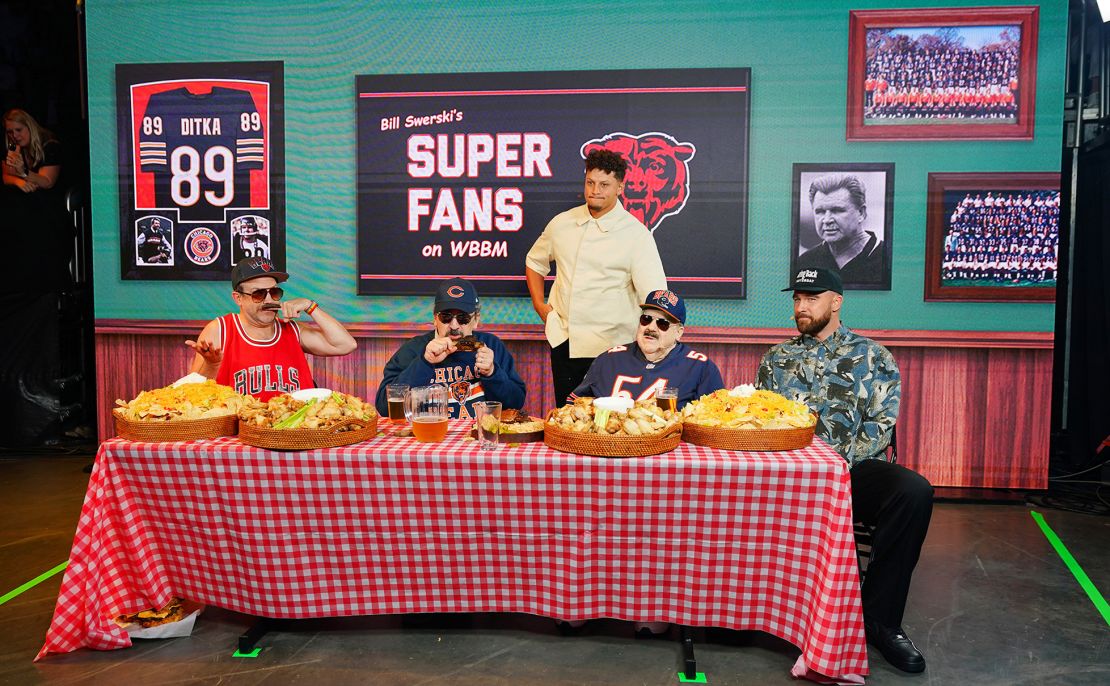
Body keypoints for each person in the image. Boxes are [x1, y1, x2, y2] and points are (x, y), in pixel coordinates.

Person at [756, 267, 933, 674]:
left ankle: (881, 621)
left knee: (913, 491)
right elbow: (762, 420)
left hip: (849, 470)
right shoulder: (776, 358)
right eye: (797, 299)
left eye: (811, 298)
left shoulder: (874, 356)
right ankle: (758, 608)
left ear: (836, 302)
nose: (801, 306)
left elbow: (880, 427)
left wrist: (833, 466)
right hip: (790, 476)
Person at [525, 148, 667, 406]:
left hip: (615, 348)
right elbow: (534, 262)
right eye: (590, 182)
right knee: (569, 420)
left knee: (613, 424)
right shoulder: (562, 223)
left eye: (604, 184)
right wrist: (540, 306)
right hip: (565, 341)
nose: (595, 190)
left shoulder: (637, 235)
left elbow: (654, 296)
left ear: (620, 187)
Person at [186, 257, 357, 400]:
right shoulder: (220, 330)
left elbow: (346, 345)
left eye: (274, 293)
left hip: (294, 431)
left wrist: (309, 306)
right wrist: (212, 364)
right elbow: (192, 395)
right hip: (241, 433)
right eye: (258, 294)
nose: (269, 300)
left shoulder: (291, 329)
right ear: (238, 298)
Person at [375, 277, 526, 420]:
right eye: (446, 317)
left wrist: (492, 372)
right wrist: (425, 362)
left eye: (463, 318)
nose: (454, 326)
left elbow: (516, 402)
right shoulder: (413, 349)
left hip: (478, 437)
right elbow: (384, 407)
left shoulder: (490, 345)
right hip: (428, 439)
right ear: (435, 319)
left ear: (476, 320)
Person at [569, 289, 723, 408]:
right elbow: (575, 405)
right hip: (608, 444)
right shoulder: (609, 359)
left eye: (662, 323)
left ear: (678, 332)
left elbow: (713, 420)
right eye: (646, 319)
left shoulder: (700, 367)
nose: (651, 327)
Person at [2, 108, 70, 291]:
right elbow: (5, 175)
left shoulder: (49, 145)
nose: (14, 135)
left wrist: (23, 172)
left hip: (50, 205)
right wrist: (17, 181)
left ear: (29, 127)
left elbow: (47, 182)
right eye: (10, 131)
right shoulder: (14, 147)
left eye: (18, 130)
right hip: (27, 205)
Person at [797, 174, 886, 287]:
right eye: (820, 211)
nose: (827, 220)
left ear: (861, 213)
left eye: (837, 210)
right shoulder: (805, 262)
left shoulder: (886, 259)